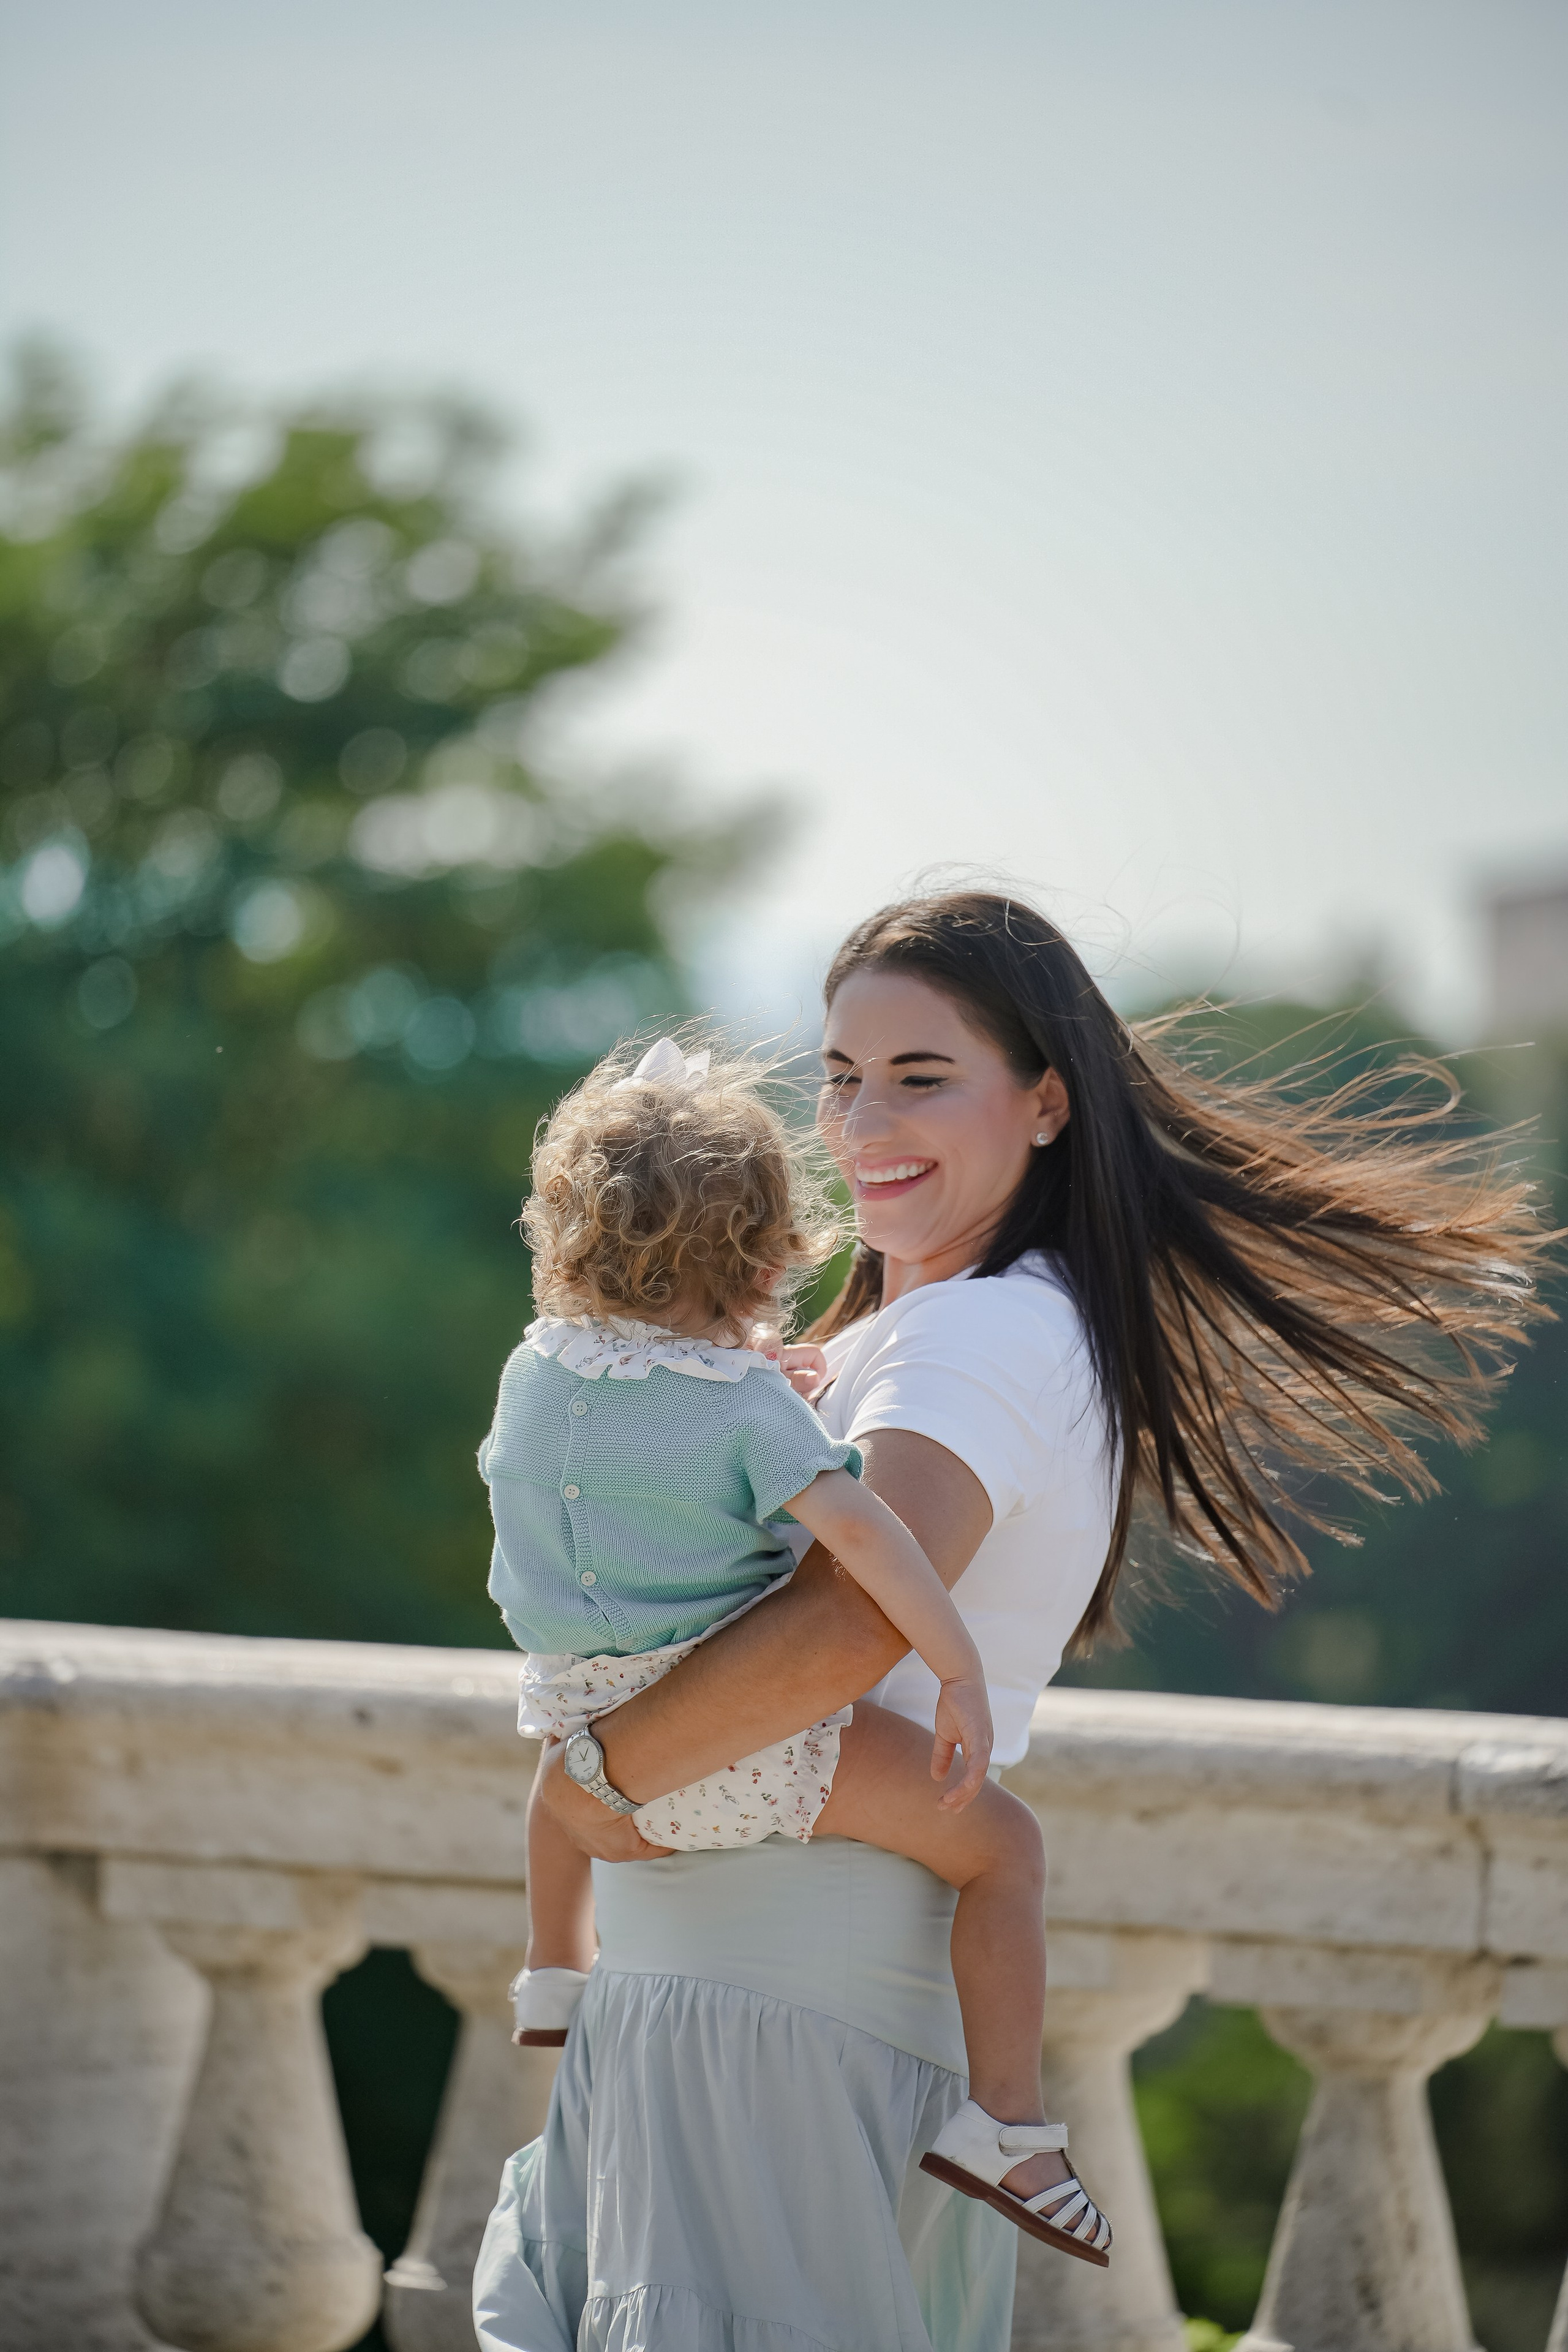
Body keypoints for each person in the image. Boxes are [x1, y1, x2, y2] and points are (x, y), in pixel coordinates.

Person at [475, 888, 1548, 2352]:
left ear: (1045, 1104)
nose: (861, 1121)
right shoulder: (896, 1331)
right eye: (840, 1078)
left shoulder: (978, 1332)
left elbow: (850, 1628)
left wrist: (592, 1781)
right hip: (733, 1988)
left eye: (921, 1078)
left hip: (782, 1998)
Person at [486, 1032, 1112, 2264]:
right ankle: (1011, 2126)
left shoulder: (539, 1369)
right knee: (1004, 1850)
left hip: (575, 1711)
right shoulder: (751, 1406)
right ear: (768, 1251)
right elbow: (869, 1553)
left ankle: (554, 1970)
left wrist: (751, 1373)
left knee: (559, 1796)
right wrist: (956, 1669)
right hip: (735, 1753)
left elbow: (640, 1441)